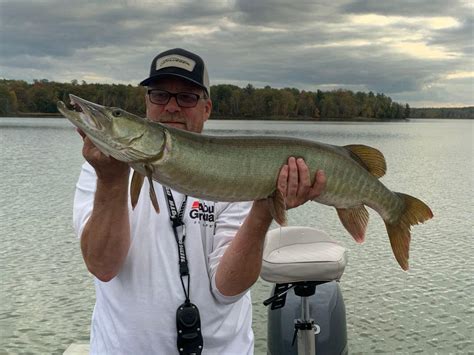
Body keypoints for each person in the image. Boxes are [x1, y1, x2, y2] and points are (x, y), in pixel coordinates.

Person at [73, 48, 326, 355]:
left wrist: (263, 210)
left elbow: (228, 287)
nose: (171, 107)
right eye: (159, 96)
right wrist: (112, 182)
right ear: (146, 104)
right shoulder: (102, 168)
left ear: (207, 108)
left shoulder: (239, 172)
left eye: (187, 98)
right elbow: (103, 267)